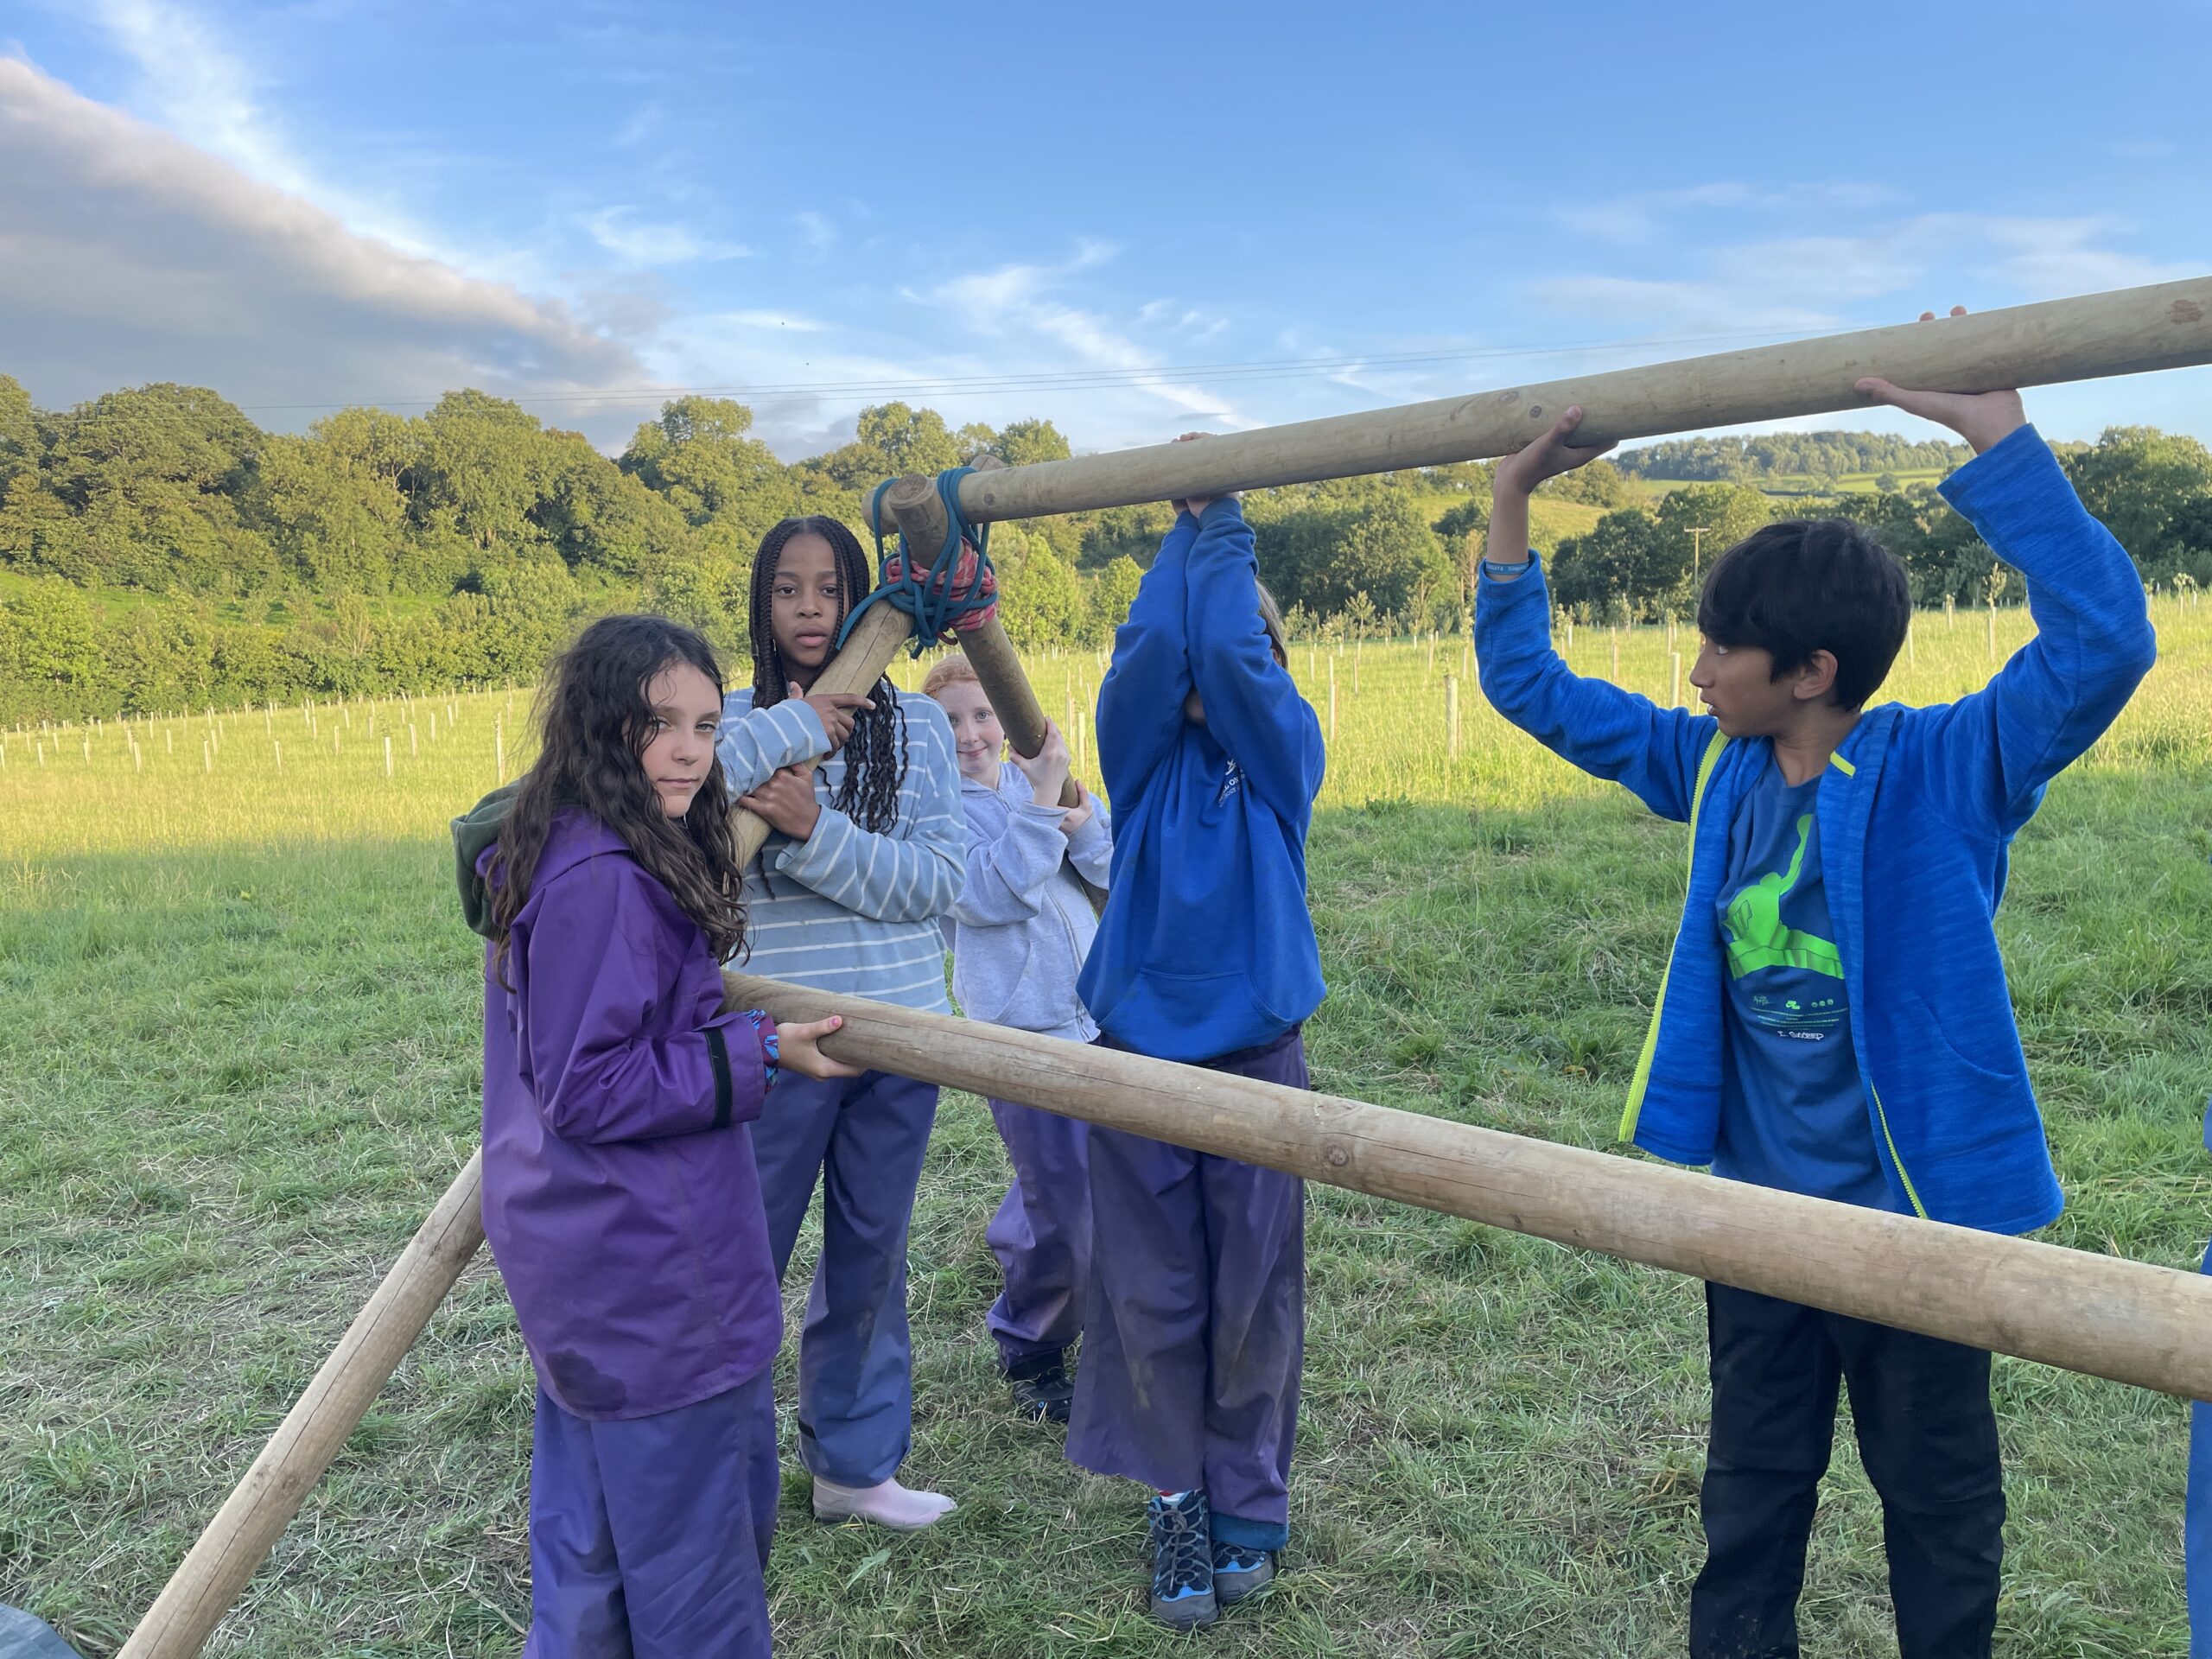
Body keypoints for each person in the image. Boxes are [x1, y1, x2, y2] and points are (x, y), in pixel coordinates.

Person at [1472, 314, 2157, 1658]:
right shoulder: (1712, 769)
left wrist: (2000, 442)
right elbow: (1533, 689)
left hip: (1916, 1226)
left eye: (1720, 648)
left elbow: (2106, 643)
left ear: (1810, 672)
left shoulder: (1948, 772)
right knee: (1752, 1498)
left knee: (1942, 1506)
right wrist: (1508, 502)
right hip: (1764, 1227)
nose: (1696, 669)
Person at [451, 614, 861, 1658]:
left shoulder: (556, 842)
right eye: (658, 725)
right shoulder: (605, 878)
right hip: (651, 1272)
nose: (688, 750)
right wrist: (758, 1054)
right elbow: (593, 1085)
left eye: (707, 727)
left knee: (590, 1539)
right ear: (599, 726)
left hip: (580, 1258)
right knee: (698, 1561)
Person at [1068, 435, 1327, 1630]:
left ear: (1274, 672)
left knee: (1253, 1298)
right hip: (1136, 1067)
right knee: (1150, 1295)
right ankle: (1176, 1500)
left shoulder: (1283, 761)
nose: (1212, 677)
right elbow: (1171, 649)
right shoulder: (1140, 758)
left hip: (1259, 1063)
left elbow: (1222, 648)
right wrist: (1187, 532)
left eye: (1256, 662)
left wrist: (1220, 516)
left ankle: (1248, 1508)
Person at [715, 515, 968, 1530]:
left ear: (862, 597)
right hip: (769, 1036)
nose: (809, 608)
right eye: (787, 588)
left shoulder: (924, 731)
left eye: (829, 588)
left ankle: (854, 1470)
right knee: (742, 1259)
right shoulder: (728, 726)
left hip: (897, 1031)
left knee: (872, 1251)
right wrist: (793, 731)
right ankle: (720, 1476)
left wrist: (815, 831)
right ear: (760, 603)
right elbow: (679, 845)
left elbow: (935, 883)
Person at [923, 651, 1113, 1423]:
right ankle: (1029, 1339)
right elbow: (994, 895)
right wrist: (1042, 804)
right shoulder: (931, 814)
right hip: (1019, 1035)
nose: (970, 735)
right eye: (948, 722)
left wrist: (1080, 816)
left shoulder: (1027, 786)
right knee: (1066, 1208)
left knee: (1095, 1184)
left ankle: (1101, 1310)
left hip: (1094, 1018)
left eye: (982, 714)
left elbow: (1108, 871)